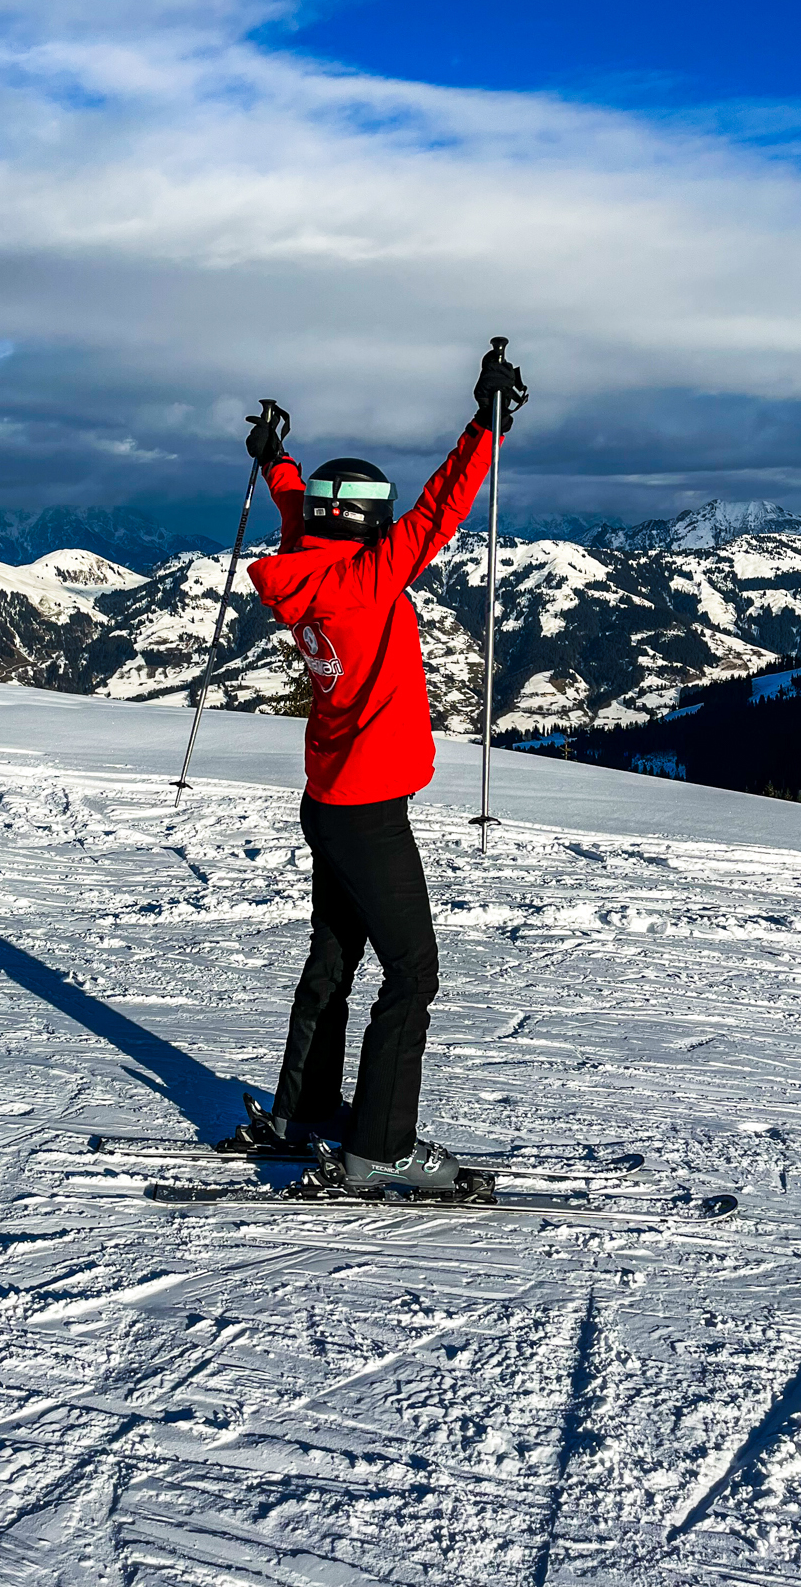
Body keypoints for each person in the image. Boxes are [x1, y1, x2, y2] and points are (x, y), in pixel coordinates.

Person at [243, 345, 528, 1195]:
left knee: (335, 956)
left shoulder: (310, 567)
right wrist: (485, 425)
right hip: (367, 809)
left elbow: (301, 512)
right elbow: (441, 509)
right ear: (371, 523)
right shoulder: (369, 576)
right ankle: (380, 1146)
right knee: (413, 971)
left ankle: (304, 1113)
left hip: (330, 801)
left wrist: (277, 461)